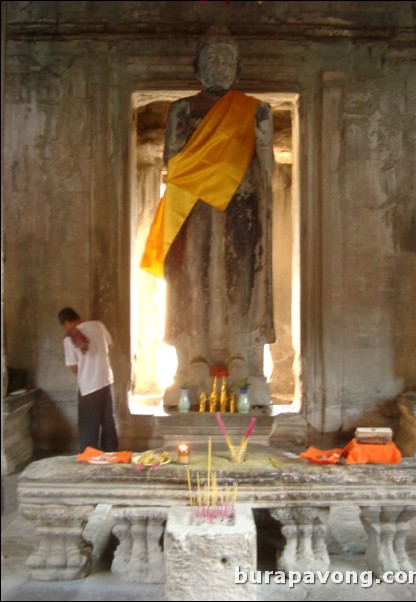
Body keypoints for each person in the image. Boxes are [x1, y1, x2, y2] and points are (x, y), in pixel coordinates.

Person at [141, 25, 275, 406]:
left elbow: (265, 169)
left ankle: (240, 359)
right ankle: (193, 361)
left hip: (241, 205)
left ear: (237, 67)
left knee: (241, 279)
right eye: (211, 59)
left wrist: (263, 142)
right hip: (196, 207)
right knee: (191, 279)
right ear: (197, 67)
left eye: (226, 59)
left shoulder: (254, 109)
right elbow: (172, 161)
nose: (219, 65)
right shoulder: (181, 108)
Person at [57, 307, 118, 452]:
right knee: (107, 420)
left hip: (89, 385)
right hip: (105, 379)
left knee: (88, 424)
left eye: (64, 326)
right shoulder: (98, 325)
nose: (65, 329)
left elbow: (73, 365)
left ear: (67, 322)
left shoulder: (69, 338)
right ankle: (111, 451)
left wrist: (86, 370)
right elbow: (109, 345)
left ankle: (90, 456)